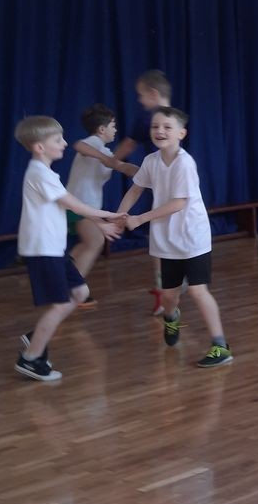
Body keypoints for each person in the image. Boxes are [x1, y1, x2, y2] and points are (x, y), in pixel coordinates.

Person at [116, 107, 233, 367]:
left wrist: (139, 219)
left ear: (181, 133)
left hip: (192, 237)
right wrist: (119, 217)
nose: (160, 131)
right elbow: (135, 190)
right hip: (165, 239)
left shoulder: (184, 163)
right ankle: (171, 317)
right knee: (168, 296)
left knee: (198, 290)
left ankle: (220, 345)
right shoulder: (151, 161)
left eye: (167, 127)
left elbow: (178, 203)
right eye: (155, 126)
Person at [13, 116, 122, 381]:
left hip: (53, 248)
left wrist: (100, 223)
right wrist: (105, 215)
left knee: (80, 292)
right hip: (43, 250)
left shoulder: (46, 173)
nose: (64, 143)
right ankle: (30, 359)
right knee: (61, 304)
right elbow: (73, 203)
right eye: (57, 139)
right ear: (40, 147)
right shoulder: (39, 173)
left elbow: (67, 204)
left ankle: (37, 336)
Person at [112, 69, 173, 315]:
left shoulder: (148, 118)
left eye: (141, 95)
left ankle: (165, 289)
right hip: (167, 183)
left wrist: (110, 160)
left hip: (161, 185)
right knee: (164, 236)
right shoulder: (176, 116)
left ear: (153, 94)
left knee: (159, 239)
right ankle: (166, 287)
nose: (139, 100)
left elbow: (128, 145)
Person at [65, 104, 138, 303]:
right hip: (79, 203)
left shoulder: (104, 151)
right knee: (95, 241)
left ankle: (66, 278)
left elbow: (121, 166)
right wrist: (108, 159)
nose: (115, 130)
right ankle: (73, 290)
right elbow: (79, 145)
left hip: (83, 205)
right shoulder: (93, 143)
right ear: (101, 129)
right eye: (113, 126)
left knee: (88, 243)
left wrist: (147, 172)